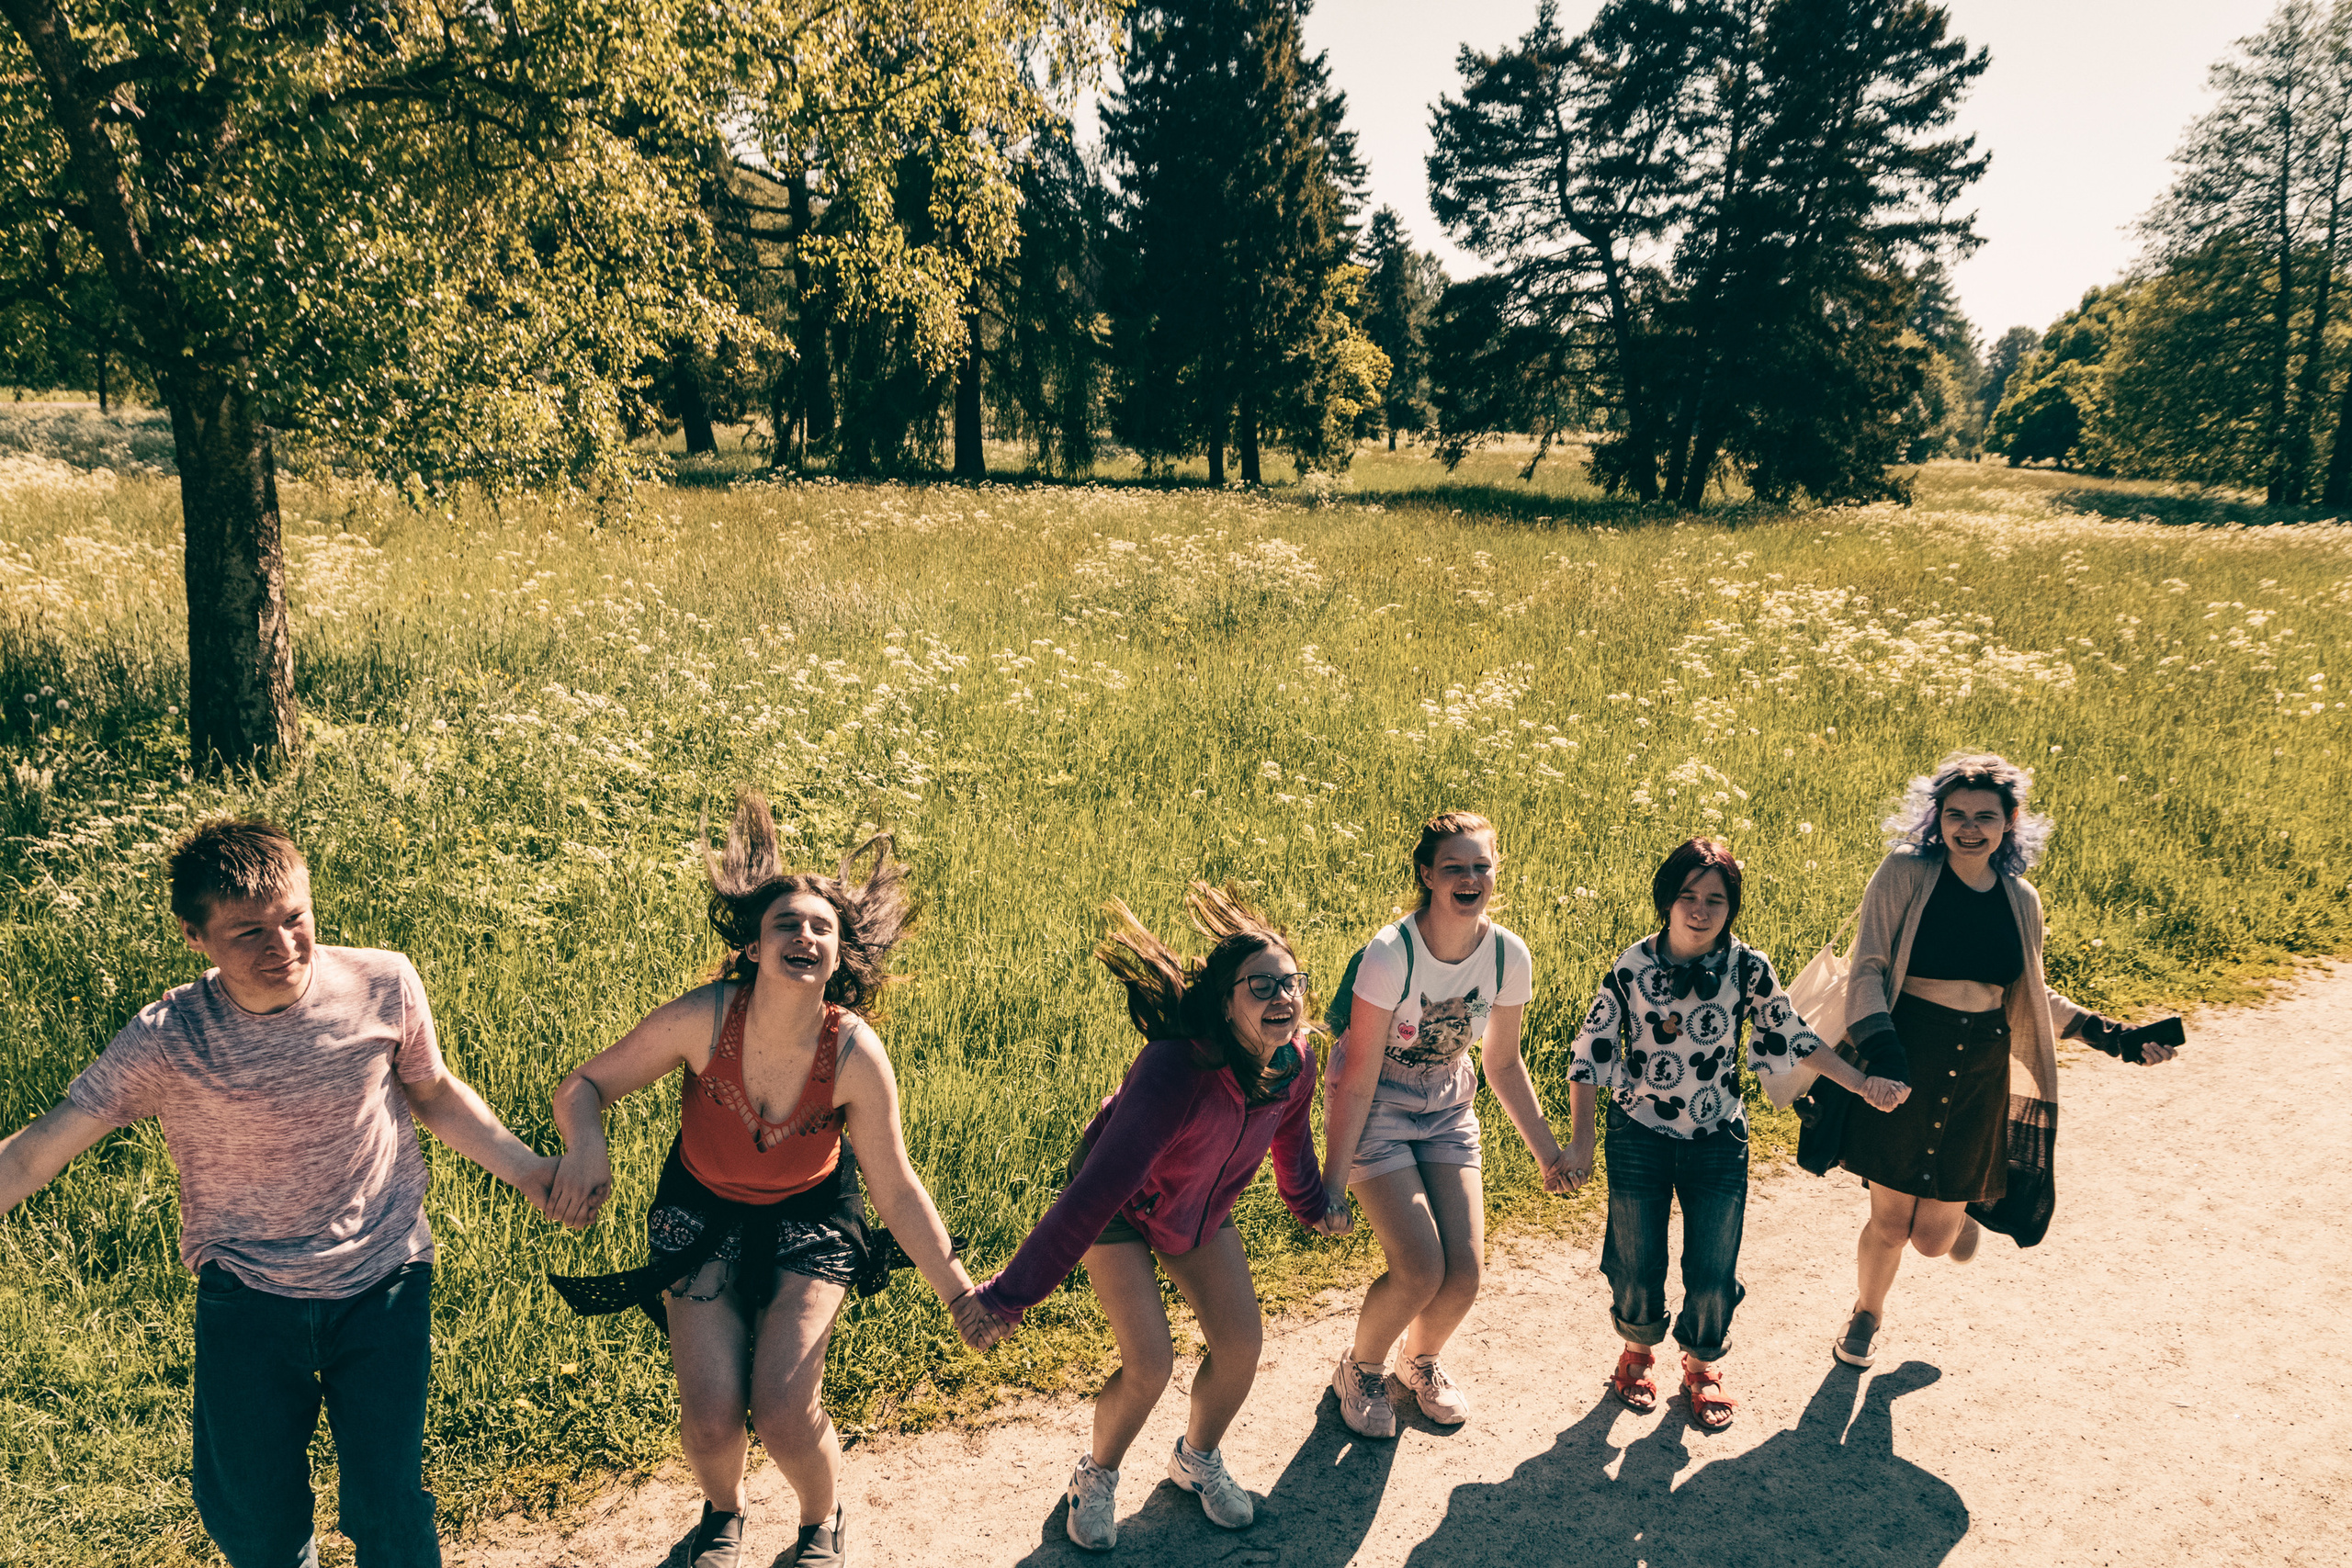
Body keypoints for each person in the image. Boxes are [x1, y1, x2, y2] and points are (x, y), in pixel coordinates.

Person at [0, 818, 559, 1568]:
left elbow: (434, 1094)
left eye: (295, 917)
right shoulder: (169, 1036)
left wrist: (530, 1171)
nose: (283, 946)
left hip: (384, 1279)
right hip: (249, 1295)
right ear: (194, 934)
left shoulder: (384, 983)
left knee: (390, 1507)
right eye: (247, 932)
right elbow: (45, 1146)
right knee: (256, 1522)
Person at [542, 797, 974, 1568]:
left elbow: (897, 1188)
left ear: (841, 957)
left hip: (811, 1216)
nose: (804, 934)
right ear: (752, 942)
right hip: (699, 1211)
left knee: (780, 1405)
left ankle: (820, 1520)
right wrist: (586, 1146)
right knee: (710, 1418)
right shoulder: (704, 1018)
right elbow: (584, 1086)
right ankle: (722, 1515)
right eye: (786, 923)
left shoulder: (854, 1054)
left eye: (821, 928)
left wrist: (959, 1291)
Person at [959, 885, 1341, 1553]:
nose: (1283, 997)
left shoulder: (1295, 1061)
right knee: (1150, 1364)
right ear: (1226, 1003)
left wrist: (1313, 1206)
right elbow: (1093, 1194)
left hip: (1196, 1210)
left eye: (1291, 982)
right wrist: (1006, 1296)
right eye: (1261, 986)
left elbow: (1293, 1143)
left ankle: (1197, 1458)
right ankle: (1096, 1475)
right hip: (1121, 1212)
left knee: (1242, 1346)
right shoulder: (1177, 1068)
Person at [1827, 752, 2181, 1369]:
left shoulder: (2021, 898)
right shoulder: (1906, 872)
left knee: (1933, 1241)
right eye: (1956, 814)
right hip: (1907, 1052)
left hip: (1980, 1067)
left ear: (2011, 820)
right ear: (1936, 816)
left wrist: (2114, 1035)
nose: (1970, 827)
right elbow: (1870, 966)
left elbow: (2032, 993)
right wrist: (1884, 1050)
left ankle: (1960, 1215)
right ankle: (1866, 1313)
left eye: (1985, 816)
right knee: (1889, 1221)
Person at [1556, 838, 1905, 1430]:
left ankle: (1701, 1362)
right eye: (1688, 896)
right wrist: (1582, 1140)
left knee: (1714, 1268)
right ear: (1667, 900)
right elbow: (1591, 1051)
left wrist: (1860, 1082)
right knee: (1637, 1261)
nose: (1700, 909)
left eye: (1715, 899)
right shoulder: (1632, 967)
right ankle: (1637, 1352)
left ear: (1731, 907)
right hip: (1638, 1135)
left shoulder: (1748, 968)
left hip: (1718, 1137)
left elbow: (1795, 1037)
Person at [1315, 811, 1565, 1438]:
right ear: (1426, 874)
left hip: (1449, 1100)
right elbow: (1357, 1075)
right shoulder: (1391, 953)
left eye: (1481, 865)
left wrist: (1547, 1153)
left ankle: (1418, 1362)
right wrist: (1332, 1182)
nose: (1470, 877)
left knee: (1465, 1272)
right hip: (1378, 1099)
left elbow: (1503, 1062)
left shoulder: (1508, 956)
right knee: (1420, 1266)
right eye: (1454, 866)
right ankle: (1361, 1368)